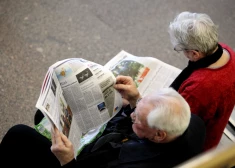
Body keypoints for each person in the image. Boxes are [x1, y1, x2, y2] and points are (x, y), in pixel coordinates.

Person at [0, 75, 205, 168]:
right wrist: (135, 100)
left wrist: (67, 161)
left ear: (160, 135)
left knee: (19, 135)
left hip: (83, 161)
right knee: (43, 117)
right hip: (107, 142)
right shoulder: (191, 123)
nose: (132, 114)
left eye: (138, 118)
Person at [168, 11, 235, 151]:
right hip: (215, 131)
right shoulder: (228, 52)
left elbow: (173, 126)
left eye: (183, 50)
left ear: (194, 54)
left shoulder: (197, 89)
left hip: (197, 147)